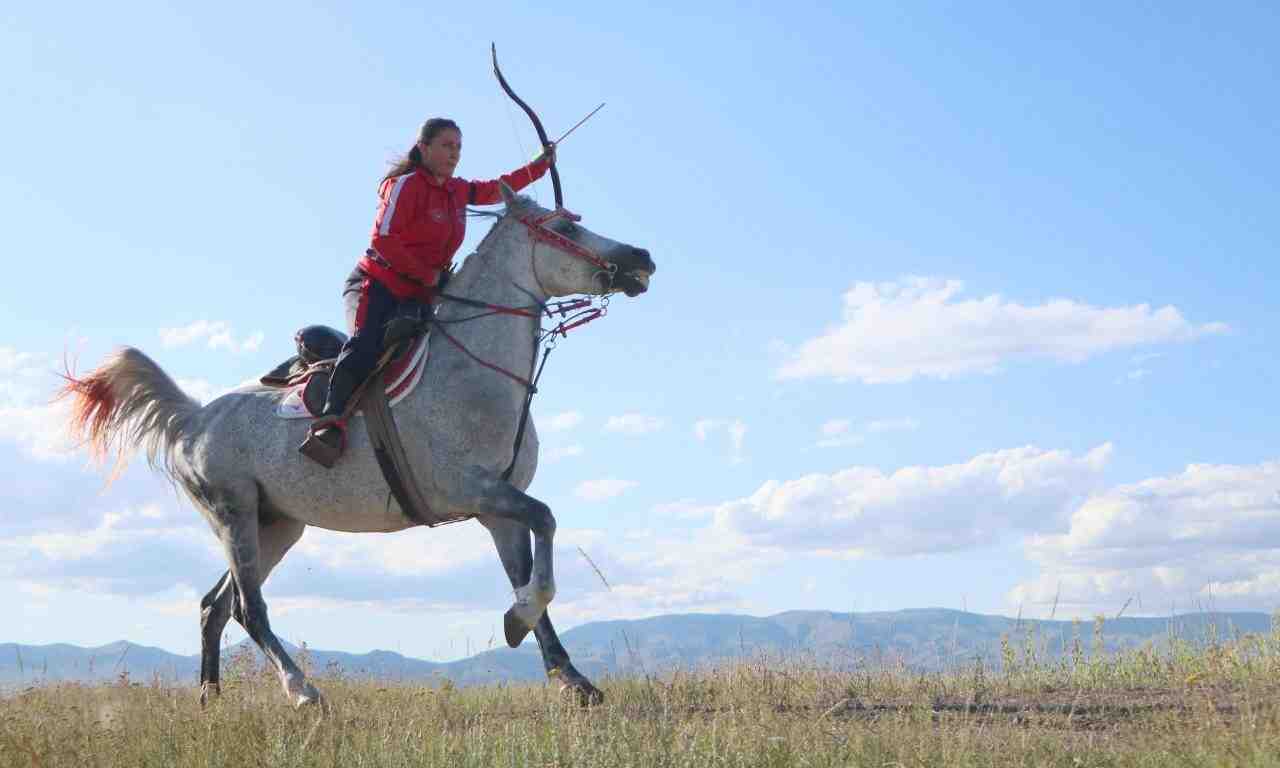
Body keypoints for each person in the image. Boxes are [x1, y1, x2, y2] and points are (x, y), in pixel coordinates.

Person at [299, 117, 555, 467]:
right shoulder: (403, 185)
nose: (455, 154)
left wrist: (539, 167)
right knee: (365, 345)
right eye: (447, 145)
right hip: (377, 285)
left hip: (421, 292)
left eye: (459, 147)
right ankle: (329, 422)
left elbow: (498, 188)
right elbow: (384, 240)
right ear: (424, 148)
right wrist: (428, 277)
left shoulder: (457, 189)